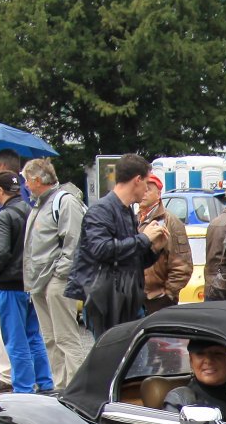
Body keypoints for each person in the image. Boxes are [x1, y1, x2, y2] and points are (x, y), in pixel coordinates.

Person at [67, 152, 165, 339]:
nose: (147, 189)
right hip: (106, 302)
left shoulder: (127, 211)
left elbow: (131, 258)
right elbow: (101, 250)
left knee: (133, 354)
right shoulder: (101, 210)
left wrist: (154, 248)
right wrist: (144, 239)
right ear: (137, 180)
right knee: (110, 354)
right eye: (146, 182)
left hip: (128, 299)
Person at [22, 157, 89, 386]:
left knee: (66, 338)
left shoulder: (64, 201)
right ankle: (60, 387)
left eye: (27, 180)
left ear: (37, 179)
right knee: (50, 339)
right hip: (39, 281)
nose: (25, 185)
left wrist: (60, 274)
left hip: (56, 280)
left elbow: (74, 241)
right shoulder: (40, 203)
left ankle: (76, 388)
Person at [0, 170, 53, 394]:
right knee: (34, 336)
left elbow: (0, 252)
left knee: (15, 341)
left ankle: (23, 388)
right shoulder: (30, 210)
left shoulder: (5, 215)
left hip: (9, 284)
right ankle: (45, 382)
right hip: (30, 283)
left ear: (0, 190)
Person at [138, 174, 193, 314]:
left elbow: (182, 266)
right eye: (142, 188)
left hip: (158, 300)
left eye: (148, 189)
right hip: (138, 298)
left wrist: (167, 296)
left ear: (158, 194)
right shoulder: (135, 219)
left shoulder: (171, 222)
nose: (143, 193)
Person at [163, 339, 226, 413]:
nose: (208, 361)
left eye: (217, 353)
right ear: (191, 360)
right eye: (200, 354)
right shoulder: (181, 399)